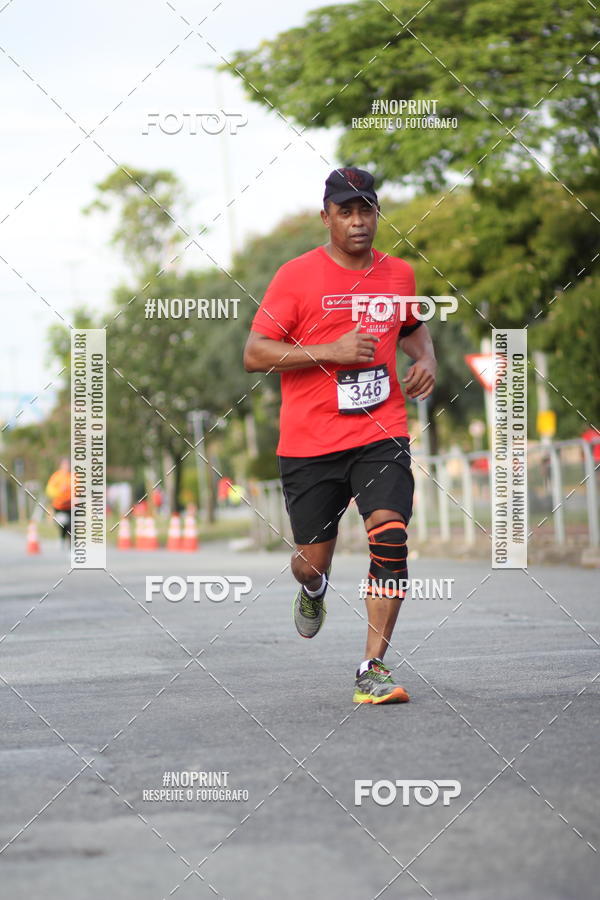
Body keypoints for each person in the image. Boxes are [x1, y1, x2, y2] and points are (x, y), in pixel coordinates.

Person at [243, 167, 437, 705]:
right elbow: (254, 354)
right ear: (325, 217)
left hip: (381, 431)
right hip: (310, 444)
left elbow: (412, 328)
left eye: (366, 210)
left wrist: (426, 362)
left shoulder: (398, 274)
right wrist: (328, 351)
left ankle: (372, 666)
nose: (358, 221)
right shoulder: (295, 277)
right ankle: (312, 589)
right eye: (346, 211)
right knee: (312, 560)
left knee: (391, 536)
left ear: (378, 214)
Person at [46, 458, 72, 546]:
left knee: (71, 524)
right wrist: (59, 491)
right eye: (64, 465)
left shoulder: (72, 477)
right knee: (63, 524)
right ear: (61, 466)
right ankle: (62, 539)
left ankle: (71, 542)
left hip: (70, 505)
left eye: (67, 465)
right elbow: (49, 490)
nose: (66, 467)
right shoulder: (56, 476)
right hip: (59, 505)